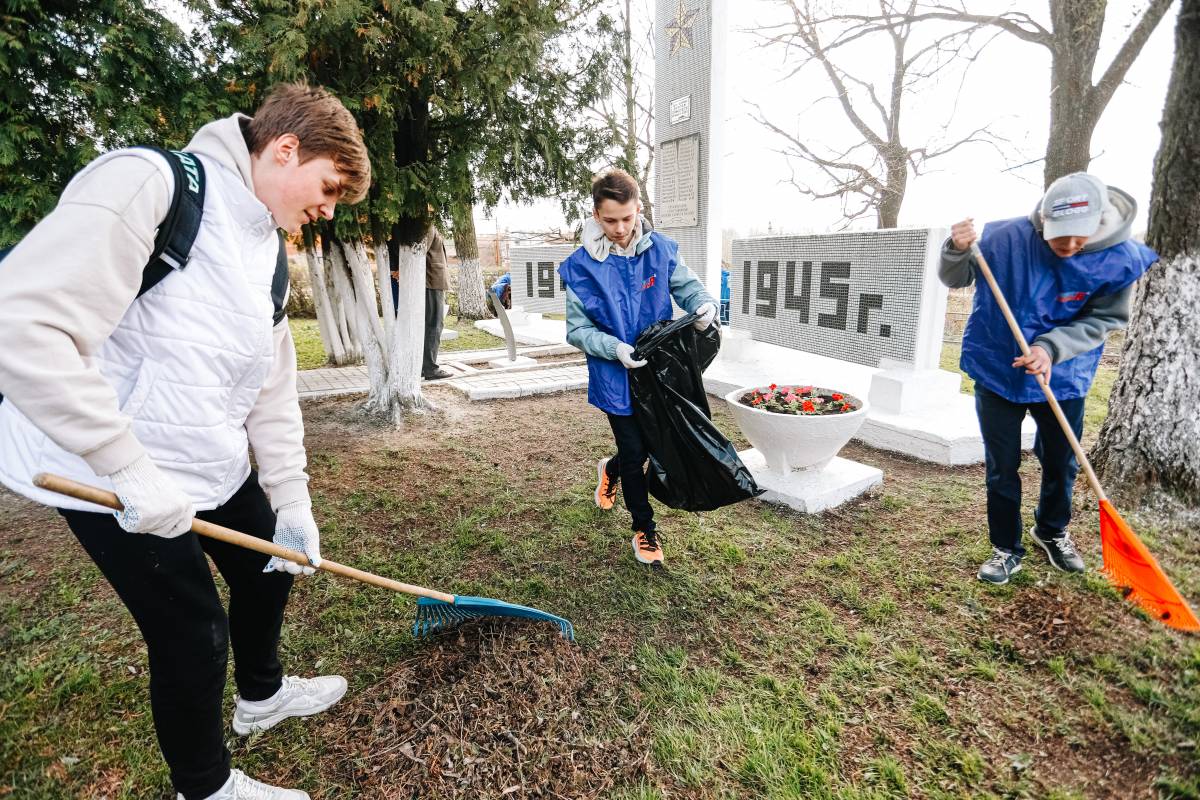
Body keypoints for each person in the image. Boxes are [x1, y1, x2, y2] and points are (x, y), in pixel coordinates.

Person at [0, 84, 371, 799]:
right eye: (327, 189)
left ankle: (261, 698)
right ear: (286, 149)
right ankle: (204, 787)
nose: (327, 210)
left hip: (206, 457)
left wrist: (292, 503)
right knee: (193, 634)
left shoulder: (264, 250)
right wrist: (129, 469)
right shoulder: (152, 185)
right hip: (102, 467)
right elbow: (22, 326)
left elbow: (271, 391)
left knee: (272, 568)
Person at [941, 172, 1156, 586]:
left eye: (1082, 237)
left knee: (1061, 461)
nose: (1071, 247)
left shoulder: (1119, 257)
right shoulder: (1004, 239)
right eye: (1062, 236)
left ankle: (1051, 531)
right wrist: (957, 249)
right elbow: (955, 278)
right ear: (1043, 221)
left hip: (1065, 374)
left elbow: (1105, 318)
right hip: (998, 366)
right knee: (1002, 467)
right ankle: (1006, 547)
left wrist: (1050, 349)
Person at [559, 169, 718, 567]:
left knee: (650, 445)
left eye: (627, 218)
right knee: (635, 450)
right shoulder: (579, 267)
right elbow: (577, 330)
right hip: (614, 372)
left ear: (638, 210)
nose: (620, 228)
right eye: (610, 220)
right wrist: (614, 348)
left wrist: (702, 306)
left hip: (657, 371)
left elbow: (688, 287)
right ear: (596, 214)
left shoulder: (661, 250)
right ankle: (643, 528)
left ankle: (609, 471)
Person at [422, 226, 453, 380]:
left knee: (432, 324)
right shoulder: (427, 225)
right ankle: (430, 368)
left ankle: (425, 366)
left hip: (434, 281)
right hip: (431, 281)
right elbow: (420, 253)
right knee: (434, 324)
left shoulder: (432, 225)